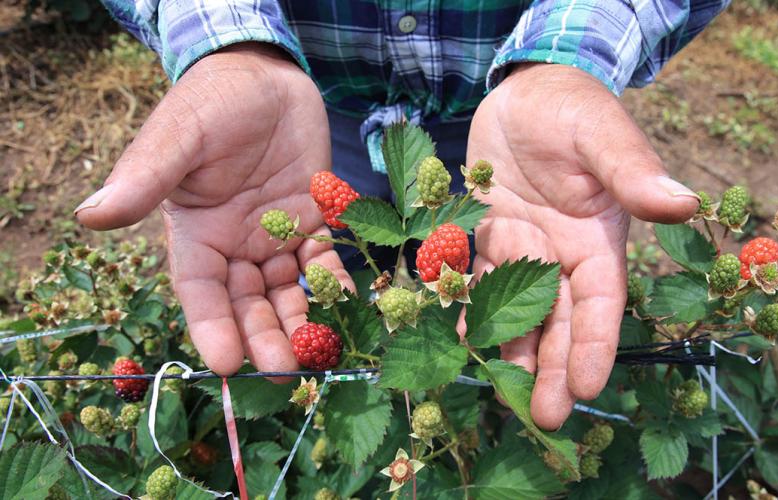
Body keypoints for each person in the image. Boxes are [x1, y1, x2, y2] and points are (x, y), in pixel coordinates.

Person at [76, 1, 728, 431]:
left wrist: (565, 59)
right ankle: (372, 339)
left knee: (475, 269)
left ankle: (453, 373)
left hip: (506, 120)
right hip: (302, 120)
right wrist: (230, 47)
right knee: (334, 260)